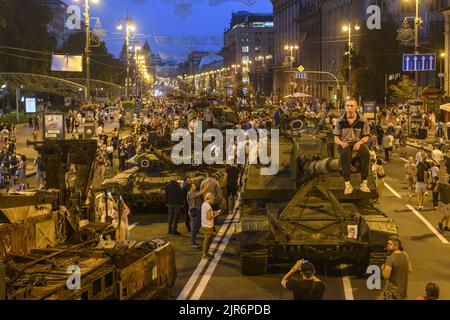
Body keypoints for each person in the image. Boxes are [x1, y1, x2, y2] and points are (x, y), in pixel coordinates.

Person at [333, 98, 371, 195]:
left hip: (358, 142)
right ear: (345, 108)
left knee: (366, 153)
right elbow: (336, 138)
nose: (349, 108)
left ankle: (364, 182)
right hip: (344, 143)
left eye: (352, 106)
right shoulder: (339, 121)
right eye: (347, 106)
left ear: (356, 107)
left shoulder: (363, 120)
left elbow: (366, 137)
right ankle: (347, 183)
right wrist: (342, 143)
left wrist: (359, 143)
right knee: (345, 155)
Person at [382, 236, 412, 300]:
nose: (388, 245)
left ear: (396, 246)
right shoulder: (405, 255)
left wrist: (382, 268)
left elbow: (386, 276)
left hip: (392, 293)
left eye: (390, 244)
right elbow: (409, 269)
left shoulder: (390, 258)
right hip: (402, 290)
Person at [201, 193, 221, 260]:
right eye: (213, 199)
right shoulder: (208, 206)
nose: (213, 200)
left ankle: (206, 253)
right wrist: (216, 214)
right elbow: (209, 218)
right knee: (207, 240)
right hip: (208, 226)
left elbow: (206, 214)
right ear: (210, 198)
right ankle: (204, 254)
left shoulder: (204, 204)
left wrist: (213, 212)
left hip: (204, 225)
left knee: (207, 240)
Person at [187, 183, 203, 248]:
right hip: (194, 212)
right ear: (190, 187)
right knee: (194, 228)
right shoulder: (190, 193)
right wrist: (207, 187)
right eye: (193, 186)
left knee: (197, 226)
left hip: (197, 211)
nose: (195, 186)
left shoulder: (193, 192)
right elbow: (201, 192)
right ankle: (192, 242)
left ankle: (193, 241)